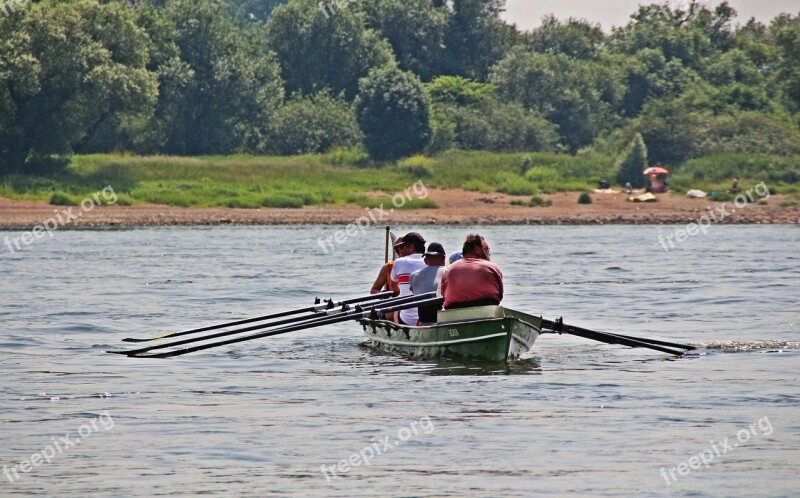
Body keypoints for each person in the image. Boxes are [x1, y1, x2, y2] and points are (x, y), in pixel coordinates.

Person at [441, 234, 503, 310]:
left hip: (454, 313)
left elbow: (443, 294)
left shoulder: (448, 270)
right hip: (488, 310)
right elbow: (500, 295)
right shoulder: (492, 267)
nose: (489, 254)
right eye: (486, 249)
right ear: (477, 249)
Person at [390, 232, 427, 325]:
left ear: (411, 247)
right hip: (429, 316)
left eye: (403, 247)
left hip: (407, 320)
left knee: (396, 307)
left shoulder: (399, 262)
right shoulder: (432, 261)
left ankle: (398, 331)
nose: (400, 251)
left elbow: (394, 288)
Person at [409, 242, 447, 324]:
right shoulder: (449, 271)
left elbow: (414, 293)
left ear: (426, 261)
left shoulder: (413, 275)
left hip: (424, 320)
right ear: (443, 259)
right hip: (443, 320)